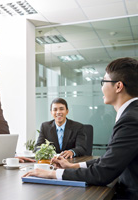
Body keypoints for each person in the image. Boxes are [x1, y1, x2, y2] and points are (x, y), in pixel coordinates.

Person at [23, 57, 138, 199]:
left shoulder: (130, 120)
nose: (101, 87)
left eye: (104, 82)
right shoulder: (132, 114)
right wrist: (73, 166)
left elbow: (103, 173)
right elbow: (107, 160)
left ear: (118, 86)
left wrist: (52, 174)